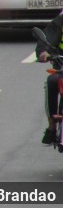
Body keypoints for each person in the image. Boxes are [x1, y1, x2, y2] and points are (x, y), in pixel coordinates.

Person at [35, 12, 63, 144]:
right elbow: (48, 38)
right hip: (62, 68)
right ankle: (52, 126)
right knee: (51, 81)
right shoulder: (60, 21)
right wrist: (44, 52)